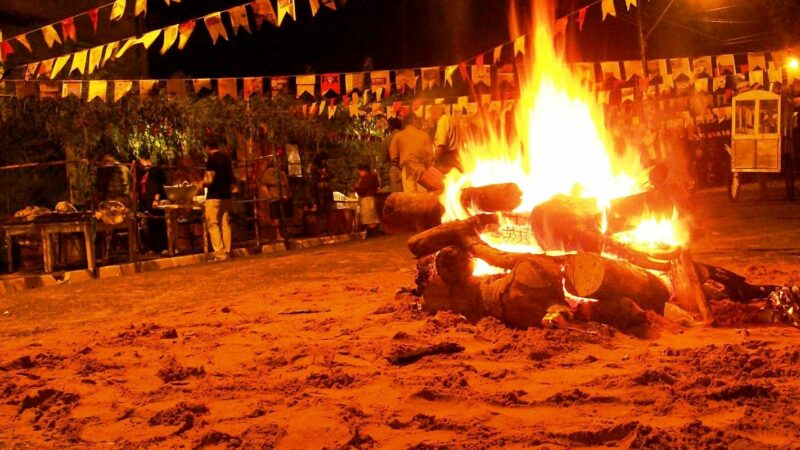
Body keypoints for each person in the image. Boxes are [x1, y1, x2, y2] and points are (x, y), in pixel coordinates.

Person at [203, 138, 234, 261]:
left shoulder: (211, 159)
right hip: (226, 194)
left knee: (212, 222)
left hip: (214, 194)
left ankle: (220, 253)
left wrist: (202, 183)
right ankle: (227, 250)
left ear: (207, 147)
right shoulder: (227, 158)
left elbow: (209, 179)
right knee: (225, 222)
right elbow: (231, 176)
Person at [389, 113, 433, 193]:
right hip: (421, 168)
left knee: (410, 195)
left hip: (407, 169)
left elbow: (393, 154)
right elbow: (430, 155)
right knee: (423, 196)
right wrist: (428, 168)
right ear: (414, 121)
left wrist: (396, 166)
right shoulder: (424, 135)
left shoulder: (398, 136)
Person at [257, 154, 291, 242]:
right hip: (275, 197)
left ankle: (282, 234)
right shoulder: (270, 172)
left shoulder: (280, 172)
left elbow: (286, 184)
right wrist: (268, 195)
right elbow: (264, 183)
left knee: (281, 216)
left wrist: (287, 193)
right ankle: (277, 234)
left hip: (281, 197)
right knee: (276, 217)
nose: (281, 163)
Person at [137, 155, 167, 254]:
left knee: (159, 223)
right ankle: (154, 248)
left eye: (142, 160)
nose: (141, 164)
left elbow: (158, 186)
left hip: (154, 201)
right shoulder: (144, 173)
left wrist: (156, 199)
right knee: (151, 224)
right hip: (147, 202)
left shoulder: (155, 171)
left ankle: (163, 247)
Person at [430, 104, 463, 173]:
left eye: (432, 114)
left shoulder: (442, 122)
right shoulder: (451, 119)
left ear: (436, 113)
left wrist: (434, 160)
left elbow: (441, 145)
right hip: (457, 156)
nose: (432, 117)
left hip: (446, 160)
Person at [354, 163, 381, 236]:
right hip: (371, 197)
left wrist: (356, 188)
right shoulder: (373, 176)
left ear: (363, 170)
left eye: (360, 171)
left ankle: (373, 233)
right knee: (371, 217)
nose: (359, 173)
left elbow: (362, 189)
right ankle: (371, 233)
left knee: (370, 218)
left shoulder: (366, 178)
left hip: (367, 198)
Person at [383, 118, 404, 192]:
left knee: (397, 198)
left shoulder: (387, 140)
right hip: (408, 171)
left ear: (390, 127)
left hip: (394, 172)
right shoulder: (407, 137)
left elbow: (384, 159)